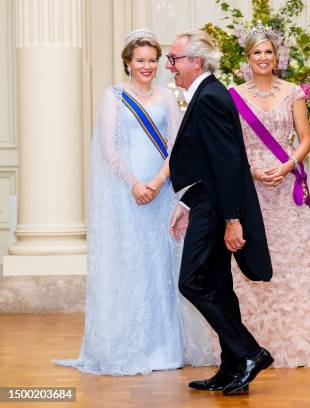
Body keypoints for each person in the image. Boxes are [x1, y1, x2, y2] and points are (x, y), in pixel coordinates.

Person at [53, 29, 216, 375]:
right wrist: (135, 184)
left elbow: (177, 144)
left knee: (161, 267)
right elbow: (108, 148)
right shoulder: (113, 96)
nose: (147, 66)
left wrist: (157, 183)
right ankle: (131, 345)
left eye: (153, 60)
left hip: (162, 192)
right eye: (140, 60)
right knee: (131, 265)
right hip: (128, 195)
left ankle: (164, 348)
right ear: (128, 62)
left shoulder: (168, 97)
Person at [223, 22, 310, 368]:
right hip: (251, 188)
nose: (263, 58)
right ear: (247, 58)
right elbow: (232, 146)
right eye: (256, 53)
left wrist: (288, 165)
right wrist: (251, 170)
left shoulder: (293, 92)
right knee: (251, 260)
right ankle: (251, 341)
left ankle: (298, 336)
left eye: (268, 52)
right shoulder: (234, 96)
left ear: (277, 56)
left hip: (285, 187)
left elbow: (306, 138)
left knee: (290, 261)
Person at [166, 29, 273, 396]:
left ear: (196, 61)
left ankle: (249, 352)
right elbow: (206, 162)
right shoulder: (207, 94)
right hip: (206, 201)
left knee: (191, 282)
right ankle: (230, 368)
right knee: (218, 286)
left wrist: (231, 218)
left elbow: (227, 164)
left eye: (174, 59)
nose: (170, 66)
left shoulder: (209, 97)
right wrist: (185, 203)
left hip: (215, 207)